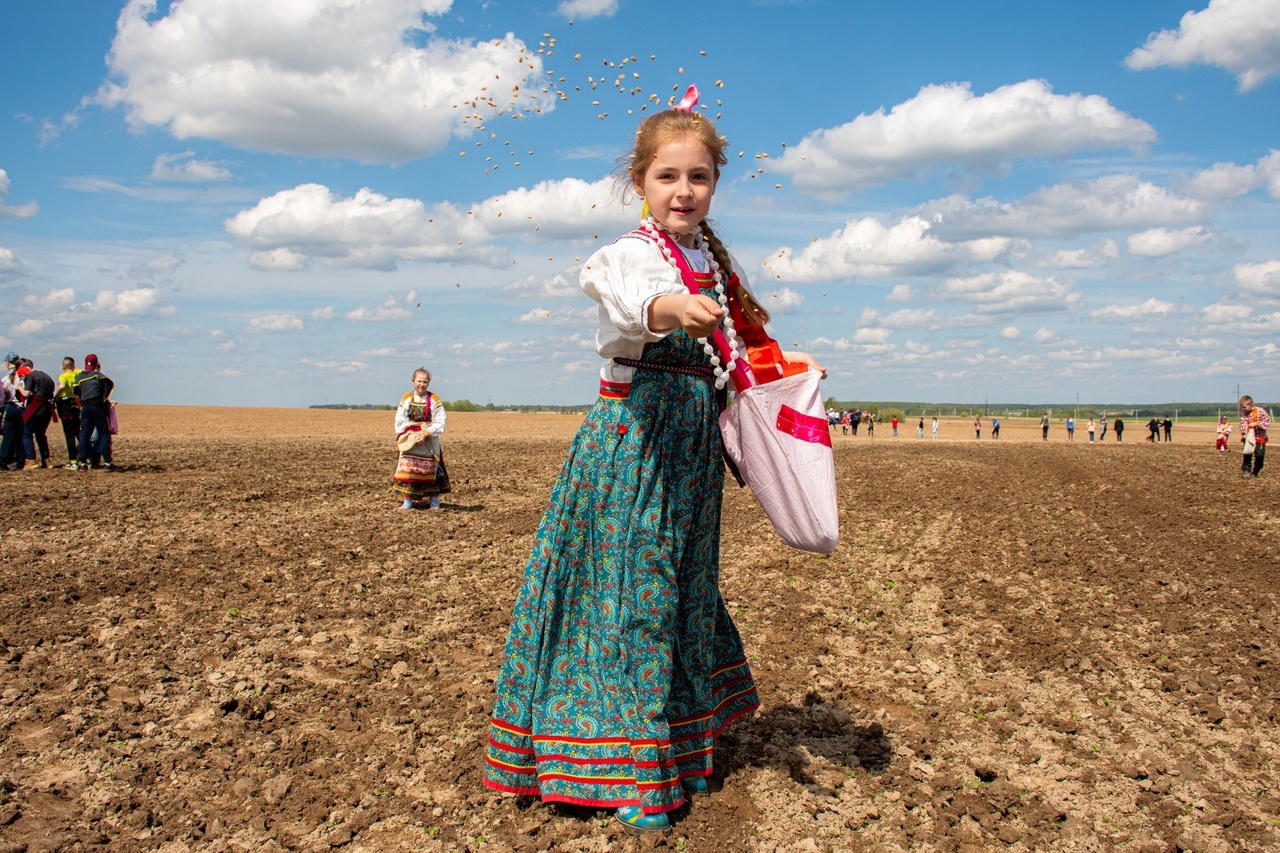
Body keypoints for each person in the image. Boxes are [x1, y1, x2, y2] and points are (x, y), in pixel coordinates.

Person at [483, 93, 825, 834]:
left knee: (687, 590)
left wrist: (790, 361)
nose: (683, 190)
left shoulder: (713, 264)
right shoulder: (630, 255)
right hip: (634, 446)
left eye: (698, 177)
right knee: (630, 594)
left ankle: (685, 744)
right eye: (668, 176)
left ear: (714, 184)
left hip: (693, 454)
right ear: (640, 181)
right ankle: (632, 766)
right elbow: (634, 298)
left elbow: (743, 354)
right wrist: (675, 307)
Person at [391, 368, 449, 509]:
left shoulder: (434, 399)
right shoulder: (406, 398)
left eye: (425, 382)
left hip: (428, 440)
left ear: (429, 383)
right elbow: (399, 420)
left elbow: (440, 421)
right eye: (419, 381)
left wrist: (426, 433)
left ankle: (433, 500)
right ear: (413, 381)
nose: (422, 384)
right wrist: (414, 428)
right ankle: (408, 500)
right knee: (409, 470)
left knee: (431, 469)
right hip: (410, 440)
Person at [74, 354, 115, 471]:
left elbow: (76, 393)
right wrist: (103, 401)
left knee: (84, 434)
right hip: (97, 406)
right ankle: (107, 462)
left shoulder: (80, 377)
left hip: (85, 407)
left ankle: (82, 462)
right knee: (103, 433)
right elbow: (108, 389)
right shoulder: (100, 377)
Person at [20, 361, 55, 469]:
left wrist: (19, 388)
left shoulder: (30, 376)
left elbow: (26, 393)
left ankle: (31, 460)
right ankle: (46, 460)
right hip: (47, 409)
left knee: (27, 433)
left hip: (36, 408)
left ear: (22, 375)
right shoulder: (47, 376)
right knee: (40, 435)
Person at [53, 357, 80, 467]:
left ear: (63, 367)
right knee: (78, 432)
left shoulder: (63, 376)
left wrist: (56, 397)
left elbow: (62, 386)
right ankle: (87, 457)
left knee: (69, 434)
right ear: (73, 365)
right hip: (76, 403)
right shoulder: (77, 375)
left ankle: (73, 460)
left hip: (66, 405)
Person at [1, 353, 24, 471]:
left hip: (9, 406)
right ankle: (20, 459)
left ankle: (3, 458)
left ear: (7, 362)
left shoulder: (6, 378)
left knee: (7, 435)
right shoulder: (21, 376)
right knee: (20, 435)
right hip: (20, 408)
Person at [1239, 395, 1269, 478]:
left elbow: (1266, 422)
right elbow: (1242, 425)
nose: (1243, 409)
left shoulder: (1261, 411)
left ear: (1251, 405)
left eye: (1244, 407)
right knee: (1247, 454)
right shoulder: (1244, 415)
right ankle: (1246, 470)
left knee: (1260, 455)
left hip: (1260, 437)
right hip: (1249, 438)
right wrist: (1245, 433)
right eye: (1242, 408)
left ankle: (1256, 471)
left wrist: (1257, 424)